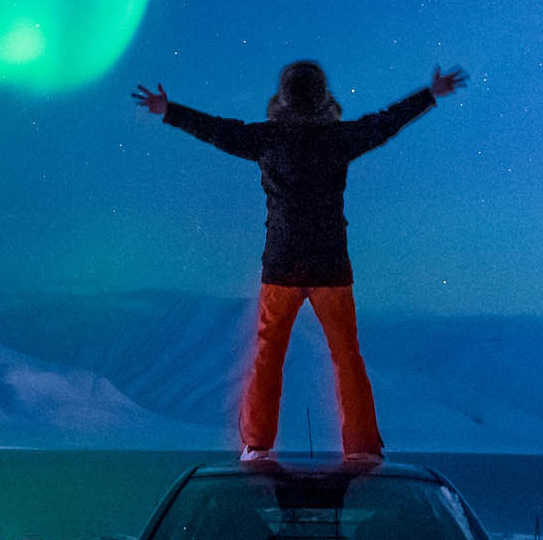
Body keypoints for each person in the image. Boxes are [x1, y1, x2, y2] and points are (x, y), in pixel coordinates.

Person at [131, 59, 466, 459]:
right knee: (347, 356)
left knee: (268, 354)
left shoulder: (266, 139)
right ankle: (362, 448)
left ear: (283, 98)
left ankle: (257, 445)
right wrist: (429, 95)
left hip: (282, 265)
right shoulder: (339, 139)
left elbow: (217, 130)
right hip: (330, 267)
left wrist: (169, 110)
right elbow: (385, 123)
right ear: (324, 97)